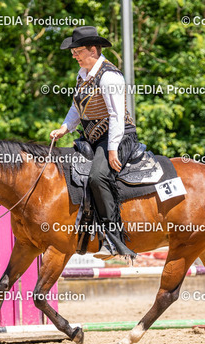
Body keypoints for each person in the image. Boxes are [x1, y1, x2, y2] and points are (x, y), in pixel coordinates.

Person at [50, 26, 138, 259]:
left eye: (77, 51)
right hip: (92, 138)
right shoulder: (82, 74)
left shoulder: (109, 76)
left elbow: (116, 116)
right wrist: (65, 128)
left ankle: (114, 240)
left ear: (92, 50)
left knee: (98, 176)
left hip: (118, 137)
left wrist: (112, 150)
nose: (74, 55)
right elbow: (76, 107)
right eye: (73, 52)